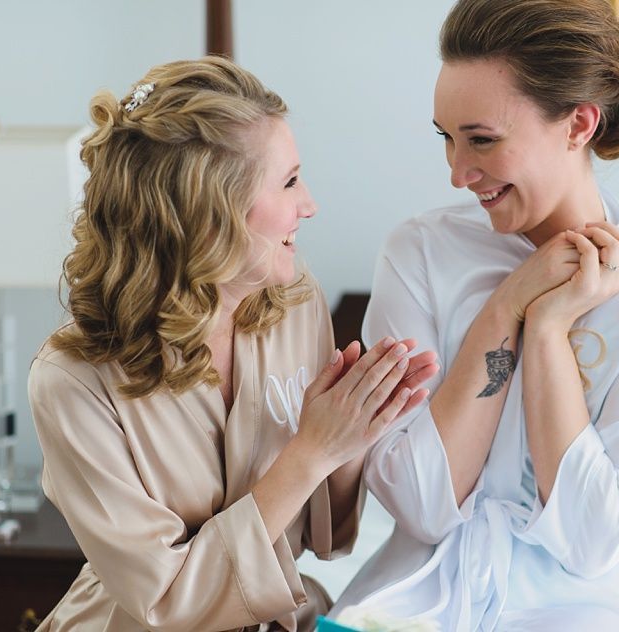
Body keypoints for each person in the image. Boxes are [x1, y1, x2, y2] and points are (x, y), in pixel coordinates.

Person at [332, 0, 619, 629]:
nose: (458, 173)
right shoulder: (419, 253)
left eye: (482, 139)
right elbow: (423, 507)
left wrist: (546, 330)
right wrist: (508, 303)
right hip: (424, 593)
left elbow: (592, 540)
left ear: (578, 124)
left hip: (594, 606)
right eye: (446, 139)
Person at [27, 56, 438, 632]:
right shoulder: (72, 381)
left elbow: (324, 535)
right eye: (290, 181)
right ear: (209, 211)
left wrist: (353, 432)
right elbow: (165, 603)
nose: (310, 205)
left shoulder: (296, 302)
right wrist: (312, 450)